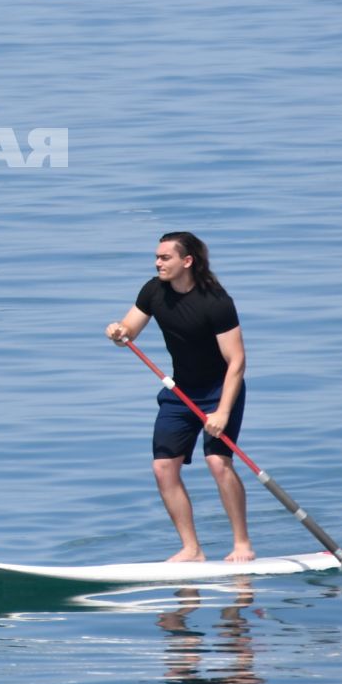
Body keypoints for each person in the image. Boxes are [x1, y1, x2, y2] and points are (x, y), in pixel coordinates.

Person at [105, 232, 252, 563]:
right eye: (156, 258)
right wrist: (117, 331)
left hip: (220, 390)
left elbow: (237, 362)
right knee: (163, 468)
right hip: (180, 392)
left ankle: (242, 543)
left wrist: (223, 412)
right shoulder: (153, 291)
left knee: (218, 462)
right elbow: (128, 331)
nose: (158, 263)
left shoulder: (216, 302)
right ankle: (192, 549)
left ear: (187, 261)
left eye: (165, 258)